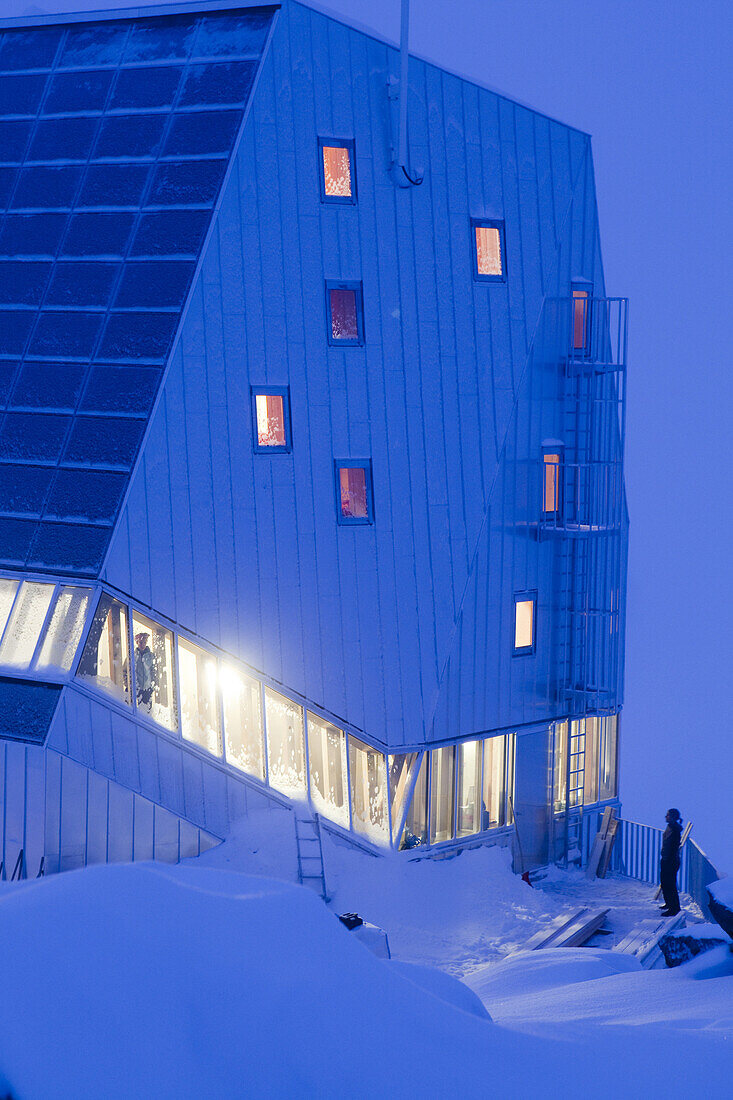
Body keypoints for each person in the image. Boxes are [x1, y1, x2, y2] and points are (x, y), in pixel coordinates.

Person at [659, 807, 683, 916]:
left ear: (673, 817)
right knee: (664, 883)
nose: (666, 817)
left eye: (668, 815)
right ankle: (669, 903)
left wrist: (668, 859)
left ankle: (674, 908)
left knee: (670, 884)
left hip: (671, 861)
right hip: (666, 860)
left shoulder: (675, 830)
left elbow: (673, 847)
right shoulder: (670, 827)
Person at [133, 632, 157, 714]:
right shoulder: (133, 656)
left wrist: (153, 686)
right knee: (137, 712)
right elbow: (125, 671)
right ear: (137, 642)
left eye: (144, 642)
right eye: (140, 642)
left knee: (147, 712)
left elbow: (154, 671)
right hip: (137, 689)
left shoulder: (151, 656)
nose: (142, 644)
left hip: (147, 689)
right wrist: (130, 684)